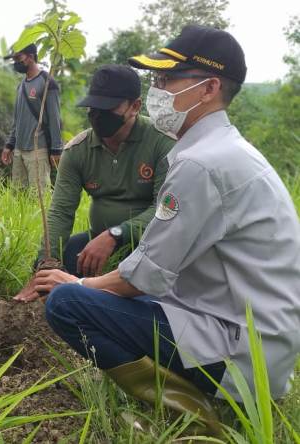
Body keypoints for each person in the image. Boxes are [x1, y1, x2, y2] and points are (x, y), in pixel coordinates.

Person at [32, 25, 300, 432]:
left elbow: (145, 276)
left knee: (66, 303)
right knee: (92, 292)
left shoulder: (201, 163)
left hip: (238, 347)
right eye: (156, 80)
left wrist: (78, 284)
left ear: (209, 88)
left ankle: (196, 413)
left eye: (167, 79)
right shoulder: (221, 151)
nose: (158, 90)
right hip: (243, 328)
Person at [15, 65, 174, 302]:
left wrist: (116, 234)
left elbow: (166, 209)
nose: (98, 115)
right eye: (93, 107)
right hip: (97, 238)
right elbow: (61, 211)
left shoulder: (162, 142)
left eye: (108, 108)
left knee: (151, 285)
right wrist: (46, 267)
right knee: (67, 256)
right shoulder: (78, 150)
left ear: (135, 107)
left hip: (150, 245)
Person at [1, 43, 63, 190]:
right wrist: (9, 145)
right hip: (19, 150)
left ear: (30, 57)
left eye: (18, 58)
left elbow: (55, 119)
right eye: (14, 59)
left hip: (38, 149)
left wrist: (56, 149)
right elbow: (17, 120)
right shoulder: (21, 86)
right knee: (18, 196)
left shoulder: (47, 82)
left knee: (39, 196)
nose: (15, 62)